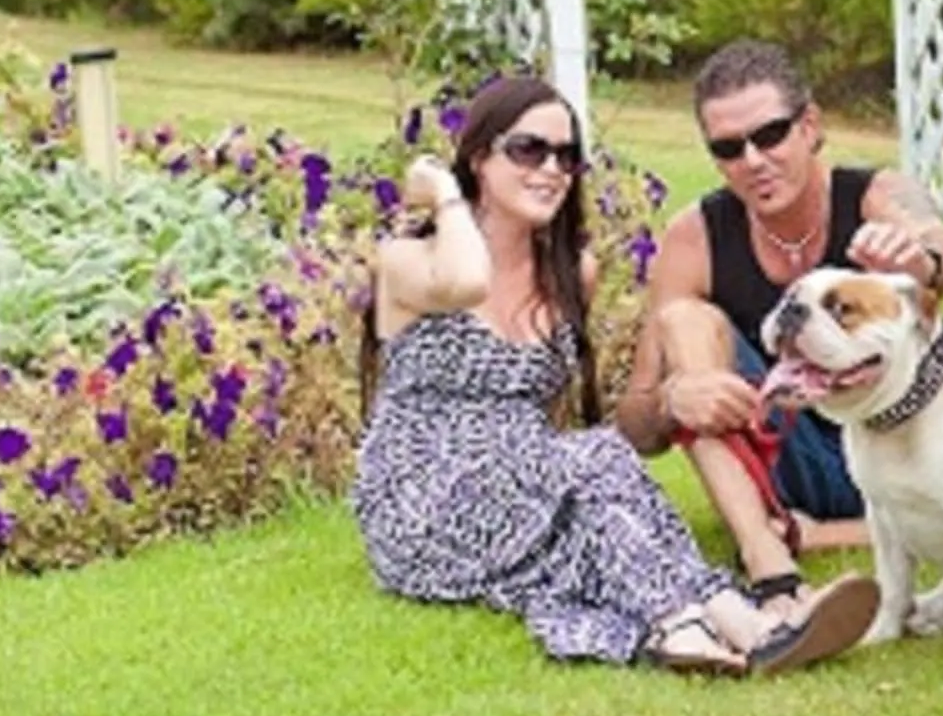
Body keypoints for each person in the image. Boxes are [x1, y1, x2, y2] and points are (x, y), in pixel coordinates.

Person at [353, 69, 879, 678]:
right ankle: (742, 612)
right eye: (529, 149)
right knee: (596, 461)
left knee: (599, 510)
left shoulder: (573, 273)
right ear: (478, 159)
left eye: (566, 155)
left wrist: (565, 493)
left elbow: (540, 421)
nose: (551, 168)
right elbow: (469, 281)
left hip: (514, 488)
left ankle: (699, 629)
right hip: (420, 503)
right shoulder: (408, 259)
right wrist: (445, 193)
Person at [620, 37, 943, 606]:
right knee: (685, 322)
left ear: (809, 126)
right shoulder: (696, 236)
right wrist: (673, 400)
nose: (753, 161)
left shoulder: (876, 197)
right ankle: (770, 567)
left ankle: (818, 536)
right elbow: (635, 426)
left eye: (771, 135)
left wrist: (919, 261)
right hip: (790, 456)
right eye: (730, 148)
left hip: (899, 456)